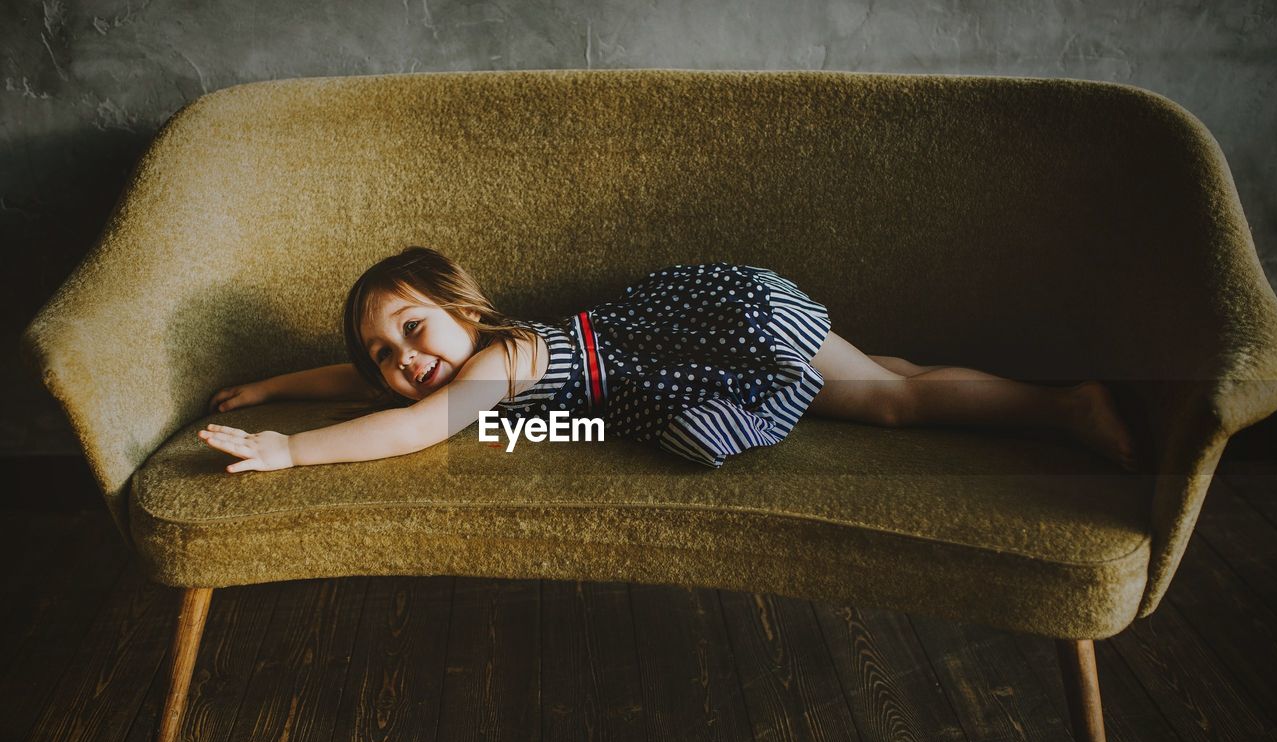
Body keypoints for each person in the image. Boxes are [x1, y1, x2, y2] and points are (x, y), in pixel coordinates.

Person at [198, 246, 1137, 473]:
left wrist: (289, 449)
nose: (402, 361)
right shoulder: (474, 360)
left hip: (718, 334)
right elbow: (368, 388)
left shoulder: (506, 361)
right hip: (716, 325)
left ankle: (1062, 409)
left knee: (892, 406)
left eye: (412, 331)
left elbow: (409, 425)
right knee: (881, 381)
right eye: (384, 355)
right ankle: (1027, 388)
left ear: (464, 313)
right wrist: (276, 384)